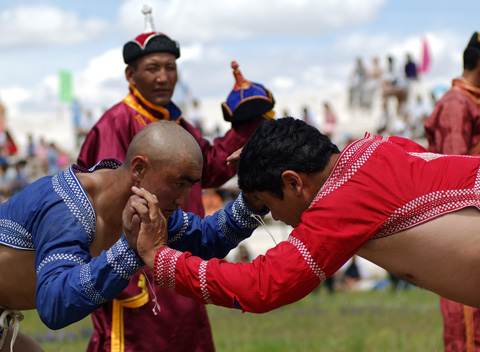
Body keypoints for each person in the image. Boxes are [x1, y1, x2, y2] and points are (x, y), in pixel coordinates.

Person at [131, 117, 480, 321]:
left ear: (293, 181)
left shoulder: (343, 199)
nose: (279, 220)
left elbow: (262, 285)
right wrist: (267, 151)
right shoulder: (375, 149)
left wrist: (159, 259)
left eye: (268, 205)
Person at [78, 6, 273, 352]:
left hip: (185, 259)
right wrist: (120, 276)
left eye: (170, 68)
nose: (163, 77)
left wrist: (247, 123)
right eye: (152, 68)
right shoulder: (115, 123)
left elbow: (211, 167)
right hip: (135, 271)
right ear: (130, 74)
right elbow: (102, 207)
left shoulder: (177, 124)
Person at [0, 121, 264, 352]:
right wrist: (130, 250)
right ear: (139, 169)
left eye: (190, 186)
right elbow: (54, 305)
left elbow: (206, 237)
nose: (184, 199)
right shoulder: (67, 205)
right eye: (179, 184)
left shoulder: (144, 206)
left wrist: (255, 195)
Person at [424, 32, 480, 352]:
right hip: (462, 233)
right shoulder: (455, 105)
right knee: (468, 334)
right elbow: (455, 178)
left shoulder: (471, 102)